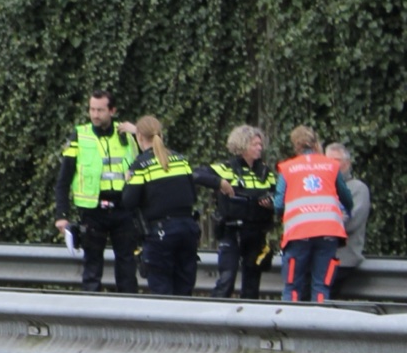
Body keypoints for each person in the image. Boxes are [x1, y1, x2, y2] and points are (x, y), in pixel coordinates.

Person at [53, 91, 142, 293]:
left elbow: (157, 152)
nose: (95, 114)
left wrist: (138, 132)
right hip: (92, 210)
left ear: (112, 111)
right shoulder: (79, 135)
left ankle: (130, 313)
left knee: (127, 265)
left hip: (123, 208)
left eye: (100, 110)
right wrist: (61, 215)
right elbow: (63, 179)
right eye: (92, 109)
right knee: (92, 266)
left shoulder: (128, 135)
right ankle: (91, 315)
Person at [193, 125, 277, 299]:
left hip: (256, 233)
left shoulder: (265, 172)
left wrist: (271, 202)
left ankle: (248, 322)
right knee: (227, 279)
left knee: (252, 283)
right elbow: (196, 174)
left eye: (260, 144)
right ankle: (213, 321)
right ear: (242, 146)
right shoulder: (227, 168)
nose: (259, 148)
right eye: (255, 144)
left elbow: (278, 194)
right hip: (231, 231)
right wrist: (219, 183)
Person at [272, 125, 352, 303]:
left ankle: (289, 326)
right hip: (328, 232)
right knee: (321, 286)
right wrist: (348, 211)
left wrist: (283, 214)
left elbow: (278, 204)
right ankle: (319, 327)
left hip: (298, 234)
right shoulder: (331, 166)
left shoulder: (287, 168)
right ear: (316, 143)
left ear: (295, 145)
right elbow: (346, 196)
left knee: (292, 287)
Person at [121, 115, 199, 296]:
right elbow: (192, 195)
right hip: (188, 229)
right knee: (184, 291)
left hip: (160, 233)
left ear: (139, 137)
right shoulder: (181, 160)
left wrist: (128, 181)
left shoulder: (140, 165)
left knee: (162, 292)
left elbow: (129, 202)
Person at [324, 143, 369, 299]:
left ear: (347, 163)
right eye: (328, 160)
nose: (331, 165)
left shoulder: (357, 188)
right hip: (319, 255)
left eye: (336, 160)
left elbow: (352, 221)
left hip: (343, 257)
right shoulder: (320, 187)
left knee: (324, 297)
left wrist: (323, 227)